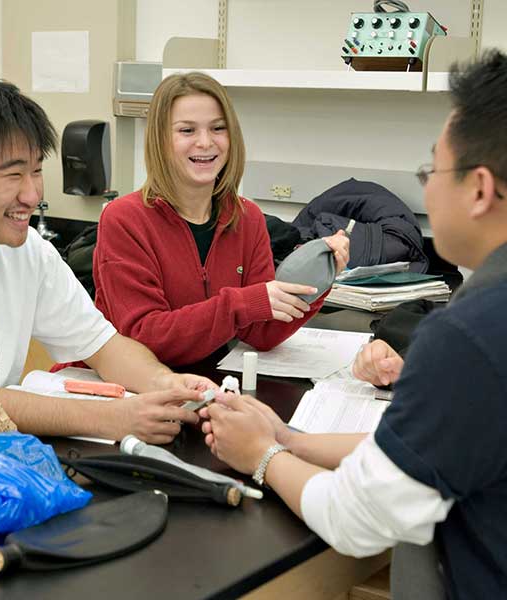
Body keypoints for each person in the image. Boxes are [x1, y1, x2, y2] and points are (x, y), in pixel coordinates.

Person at [200, 50, 507, 599]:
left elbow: (358, 518)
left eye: (429, 172)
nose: (427, 193)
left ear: (480, 189)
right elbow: (425, 451)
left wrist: (261, 456)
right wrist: (288, 435)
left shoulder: (470, 337)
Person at [0, 75, 215, 444]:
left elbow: (104, 346)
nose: (32, 193)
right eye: (13, 174)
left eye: (36, 170)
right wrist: (108, 418)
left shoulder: (28, 251)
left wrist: (166, 383)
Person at [91, 72, 349, 365]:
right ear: (160, 140)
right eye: (187, 130)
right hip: (131, 390)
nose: (205, 142)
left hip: (203, 385)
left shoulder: (246, 218)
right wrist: (242, 304)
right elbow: (146, 337)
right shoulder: (124, 219)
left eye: (218, 128)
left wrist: (317, 277)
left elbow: (261, 332)